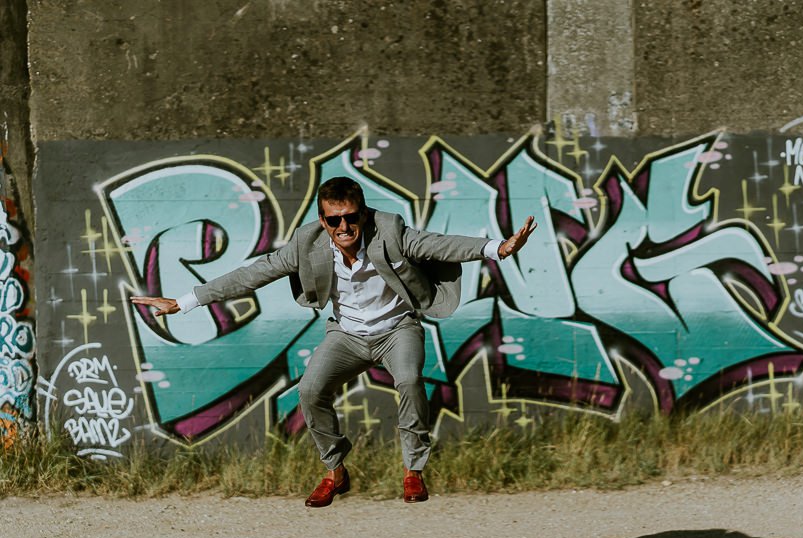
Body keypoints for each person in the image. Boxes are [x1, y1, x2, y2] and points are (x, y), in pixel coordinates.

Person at [130, 176, 536, 506]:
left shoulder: (389, 231)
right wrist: (183, 303)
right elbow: (253, 274)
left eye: (350, 218)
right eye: (333, 220)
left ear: (362, 213)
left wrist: (496, 248)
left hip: (397, 330)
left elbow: (438, 244)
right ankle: (336, 470)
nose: (344, 227)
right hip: (346, 334)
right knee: (309, 390)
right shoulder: (308, 245)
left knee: (410, 381)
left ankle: (413, 470)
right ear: (322, 221)